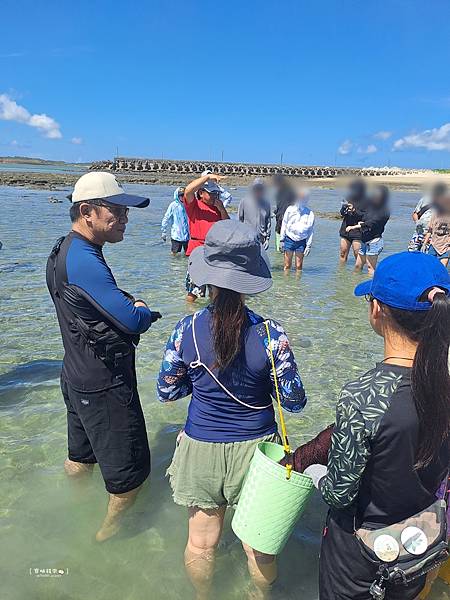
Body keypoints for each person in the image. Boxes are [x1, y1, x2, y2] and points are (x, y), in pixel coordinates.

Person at [157, 220, 307, 600]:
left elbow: (166, 390)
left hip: (201, 446)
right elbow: (293, 400)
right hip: (258, 453)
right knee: (258, 545)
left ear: (207, 274)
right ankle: (262, 597)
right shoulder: (271, 334)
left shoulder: (184, 329)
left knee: (201, 543)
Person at [302, 252, 450, 599]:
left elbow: (340, 493)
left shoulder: (363, 396)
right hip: (419, 544)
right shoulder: (443, 385)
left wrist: (316, 474)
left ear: (377, 310)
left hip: (361, 559)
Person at [46, 172, 162, 543]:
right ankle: (104, 539)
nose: (125, 218)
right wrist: (142, 306)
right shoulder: (83, 259)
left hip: (75, 376)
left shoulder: (63, 249)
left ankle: (70, 510)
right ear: (87, 212)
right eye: (116, 211)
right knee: (130, 479)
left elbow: (86, 304)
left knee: (79, 460)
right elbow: (132, 321)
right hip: (104, 387)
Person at [183, 173, 229, 302]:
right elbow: (188, 190)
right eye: (211, 193)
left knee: (215, 291)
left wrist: (222, 209)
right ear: (202, 193)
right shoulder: (194, 205)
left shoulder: (217, 208)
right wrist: (208, 177)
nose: (215, 196)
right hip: (198, 251)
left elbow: (227, 226)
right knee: (193, 292)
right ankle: (190, 315)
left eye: (216, 194)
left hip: (215, 253)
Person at [352, 185, 390, 276]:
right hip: (364, 240)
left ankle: (370, 289)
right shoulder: (370, 207)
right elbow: (362, 215)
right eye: (374, 195)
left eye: (378, 195)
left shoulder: (385, 211)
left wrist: (356, 226)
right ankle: (353, 285)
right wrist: (353, 211)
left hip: (374, 241)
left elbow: (374, 222)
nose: (375, 197)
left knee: (370, 268)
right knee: (357, 266)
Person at [280, 188, 314, 271]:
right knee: (287, 265)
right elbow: (284, 224)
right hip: (289, 239)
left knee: (299, 267)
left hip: (301, 241)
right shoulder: (290, 210)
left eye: (303, 197)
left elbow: (311, 231)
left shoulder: (310, 213)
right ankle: (286, 283)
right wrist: (281, 240)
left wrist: (308, 246)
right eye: (300, 197)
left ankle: (297, 284)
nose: (301, 199)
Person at [407, 183, 445, 252]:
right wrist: (417, 222)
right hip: (418, 232)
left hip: (432, 235)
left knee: (426, 255)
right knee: (411, 252)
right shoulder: (425, 199)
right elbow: (415, 214)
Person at [238, 178, 271, 249]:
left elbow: (268, 222)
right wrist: (240, 236)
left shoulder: (266, 204)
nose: (258, 191)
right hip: (247, 238)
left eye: (260, 189)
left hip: (261, 239)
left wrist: (267, 238)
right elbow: (240, 220)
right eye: (256, 188)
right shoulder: (244, 202)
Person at [339, 179, 366, 264]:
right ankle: (341, 274)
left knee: (357, 255)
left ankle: (358, 276)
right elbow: (342, 214)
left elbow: (364, 216)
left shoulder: (366, 201)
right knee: (342, 253)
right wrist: (344, 208)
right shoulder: (349, 198)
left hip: (358, 232)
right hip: (345, 230)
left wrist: (354, 210)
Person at [423, 189, 450, 267]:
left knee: (442, 269)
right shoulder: (435, 215)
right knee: (430, 267)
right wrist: (424, 243)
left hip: (446, 246)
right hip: (433, 245)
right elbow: (430, 230)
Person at [161, 186, 190, 255]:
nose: (183, 197)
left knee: (188, 254)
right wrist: (163, 232)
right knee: (174, 254)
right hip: (176, 236)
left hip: (187, 236)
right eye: (181, 195)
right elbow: (166, 218)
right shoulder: (173, 205)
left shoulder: (188, 204)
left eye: (184, 195)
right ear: (177, 195)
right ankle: (174, 265)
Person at [273, 174, 296, 252]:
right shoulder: (289, 191)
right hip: (284, 219)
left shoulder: (282, 192)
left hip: (284, 220)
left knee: (280, 247)